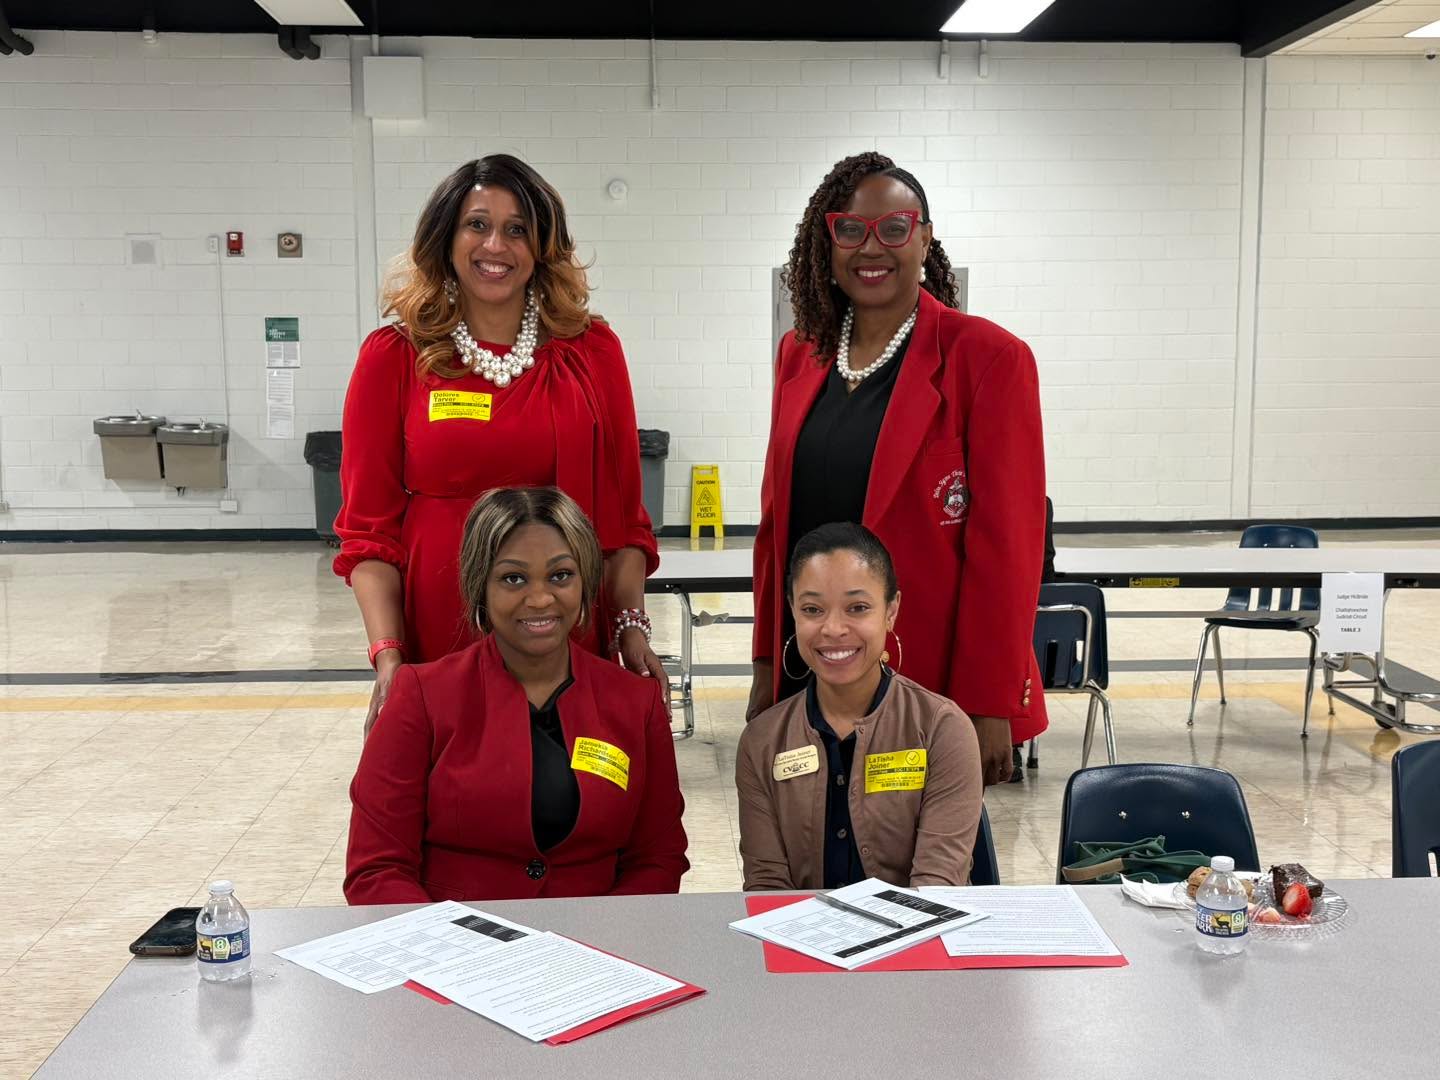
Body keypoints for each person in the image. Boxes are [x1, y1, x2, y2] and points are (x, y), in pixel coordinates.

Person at [334, 154, 663, 735]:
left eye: (517, 229)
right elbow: (370, 536)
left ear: (542, 246)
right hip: (442, 629)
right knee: (458, 797)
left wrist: (630, 627)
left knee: (570, 789)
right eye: (477, 224)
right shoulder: (395, 357)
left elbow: (621, 523)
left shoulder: (593, 352)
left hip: (565, 622)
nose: (496, 245)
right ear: (445, 237)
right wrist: (388, 654)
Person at [749, 151, 1047, 784]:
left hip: (926, 674)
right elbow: (776, 528)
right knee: (816, 849)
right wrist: (761, 667)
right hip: (812, 664)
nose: (871, 248)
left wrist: (991, 699)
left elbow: (1007, 548)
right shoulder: (800, 355)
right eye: (850, 230)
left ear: (925, 236)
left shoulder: (989, 358)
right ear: (827, 240)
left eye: (895, 227)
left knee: (924, 865)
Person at [345, 487, 688, 904]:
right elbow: (376, 868)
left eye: (561, 575)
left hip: (597, 946)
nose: (541, 598)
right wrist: (451, 953)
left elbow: (658, 857)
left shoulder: (637, 702)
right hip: (453, 950)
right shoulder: (420, 696)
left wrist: (607, 942)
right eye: (513, 578)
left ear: (586, 583)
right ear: (480, 587)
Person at [736, 523, 983, 890]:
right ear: (792, 610)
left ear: (891, 610)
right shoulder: (763, 742)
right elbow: (767, 888)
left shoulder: (941, 729)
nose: (833, 628)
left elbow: (937, 886)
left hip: (915, 937)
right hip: (800, 939)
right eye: (812, 609)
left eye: (858, 607)